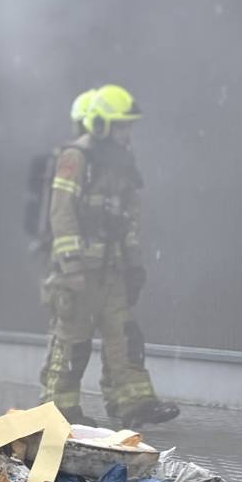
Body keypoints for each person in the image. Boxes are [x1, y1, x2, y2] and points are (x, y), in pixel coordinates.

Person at [38, 83, 179, 427]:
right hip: (79, 273)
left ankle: (133, 402)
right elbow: (62, 212)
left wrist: (134, 264)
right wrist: (71, 266)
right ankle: (59, 410)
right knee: (72, 343)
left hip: (112, 271)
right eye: (121, 125)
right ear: (101, 124)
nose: (127, 132)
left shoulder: (122, 163)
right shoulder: (76, 157)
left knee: (125, 336)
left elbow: (128, 216)